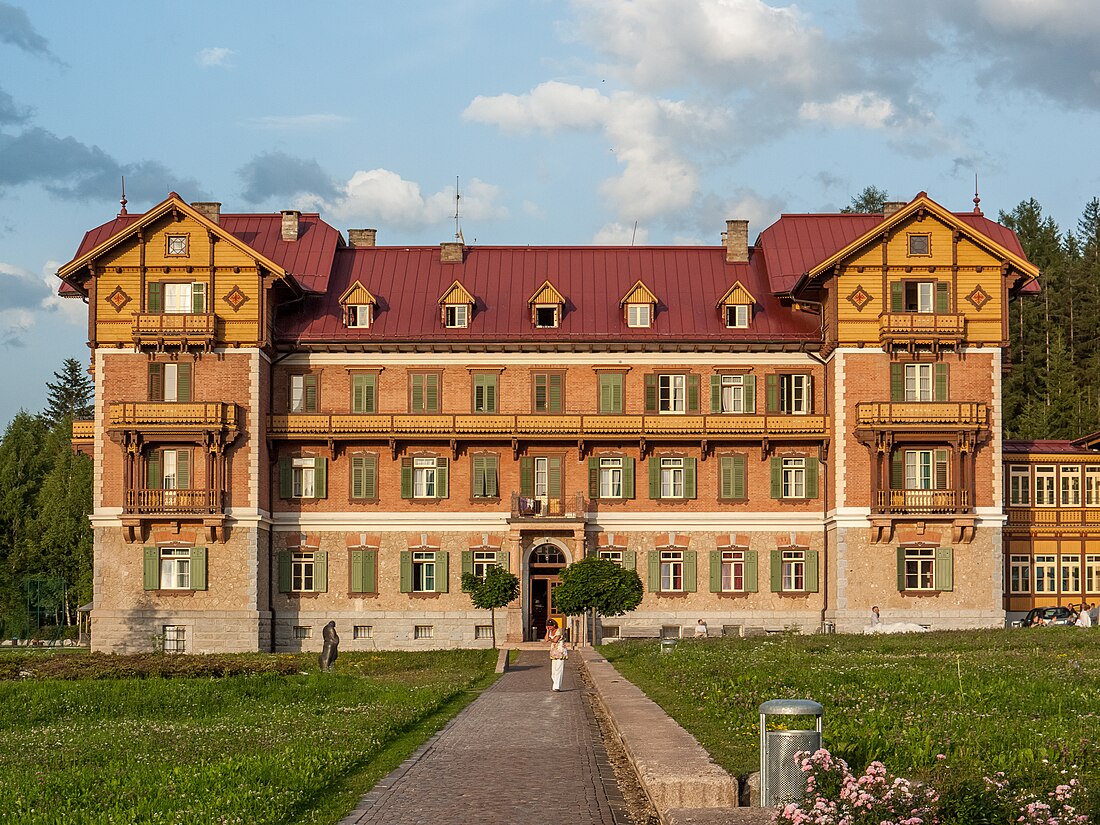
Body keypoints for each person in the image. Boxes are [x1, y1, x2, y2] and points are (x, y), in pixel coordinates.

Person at [547, 619, 566, 691]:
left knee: (559, 669)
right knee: (553, 671)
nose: (549, 627)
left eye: (550, 626)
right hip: (554, 652)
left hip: (560, 651)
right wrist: (547, 631)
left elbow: (555, 640)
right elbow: (546, 639)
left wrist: (550, 639)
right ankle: (556, 684)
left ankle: (557, 686)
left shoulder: (559, 630)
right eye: (548, 626)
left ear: (554, 625)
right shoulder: (550, 631)